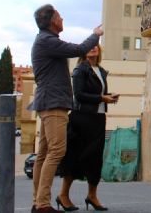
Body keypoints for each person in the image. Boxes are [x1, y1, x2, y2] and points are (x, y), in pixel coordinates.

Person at [30, 4, 103, 213]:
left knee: (43, 154)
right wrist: (96, 34)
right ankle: (43, 204)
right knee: (56, 151)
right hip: (53, 104)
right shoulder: (47, 41)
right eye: (60, 16)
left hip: (47, 102)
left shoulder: (45, 41)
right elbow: (79, 50)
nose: (63, 19)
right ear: (53, 20)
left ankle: (39, 201)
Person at [56, 44, 119, 212]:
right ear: (84, 52)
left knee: (95, 158)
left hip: (98, 119)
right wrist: (101, 98)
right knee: (74, 156)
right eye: (89, 47)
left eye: (95, 46)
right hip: (81, 118)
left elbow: (97, 94)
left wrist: (109, 96)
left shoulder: (100, 70)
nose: (93, 49)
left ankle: (92, 195)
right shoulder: (80, 70)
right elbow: (79, 95)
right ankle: (63, 195)